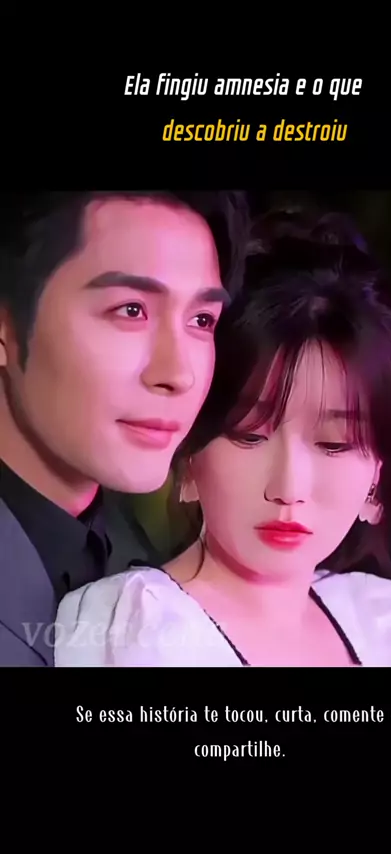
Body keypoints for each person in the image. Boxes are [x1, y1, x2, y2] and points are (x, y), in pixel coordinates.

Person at [54, 211, 391, 667]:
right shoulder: (135, 627)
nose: (288, 488)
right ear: (189, 453)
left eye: (334, 444)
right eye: (250, 435)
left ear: (377, 477)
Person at [0, 190, 249, 666]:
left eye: (202, 320)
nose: (178, 373)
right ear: (6, 326)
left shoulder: (159, 574)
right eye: (131, 310)